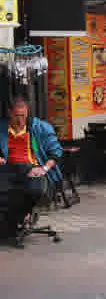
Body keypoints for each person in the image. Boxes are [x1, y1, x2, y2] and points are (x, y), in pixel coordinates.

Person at [0, 95, 63, 238]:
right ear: (10, 113)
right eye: (16, 115)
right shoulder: (2, 129)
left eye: (23, 115)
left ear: (27, 112)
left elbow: (56, 153)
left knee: (35, 189)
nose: (20, 120)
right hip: (9, 168)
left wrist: (43, 169)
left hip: (32, 167)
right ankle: (15, 220)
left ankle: (24, 215)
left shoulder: (39, 128)